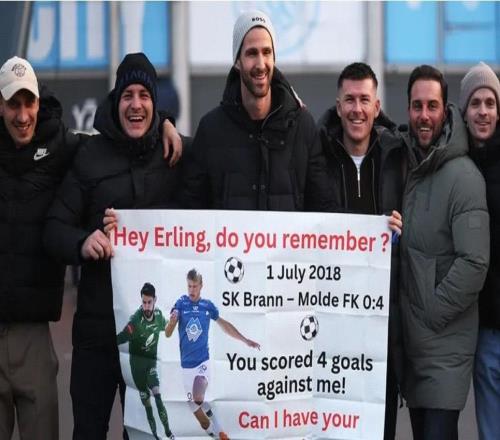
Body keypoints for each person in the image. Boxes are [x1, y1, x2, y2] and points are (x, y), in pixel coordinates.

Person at [43, 52, 186, 439]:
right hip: (96, 332)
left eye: (144, 95)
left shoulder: (175, 155)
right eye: (127, 95)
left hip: (150, 340)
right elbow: (54, 228)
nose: (136, 104)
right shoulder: (89, 156)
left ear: (155, 104)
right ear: (115, 100)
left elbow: (224, 150)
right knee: (88, 430)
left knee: (144, 434)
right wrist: (83, 241)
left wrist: (169, 125)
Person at [399, 64, 489, 440]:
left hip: (443, 349)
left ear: (446, 110)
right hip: (414, 347)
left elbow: (475, 262)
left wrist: (431, 310)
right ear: (408, 109)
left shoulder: (464, 177)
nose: (424, 115)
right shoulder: (406, 162)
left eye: (432, 106)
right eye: (417, 106)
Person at [317, 62, 404, 440]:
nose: (357, 109)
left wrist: (400, 230)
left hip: (381, 336)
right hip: (329, 336)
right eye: (349, 100)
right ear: (338, 106)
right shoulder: (316, 156)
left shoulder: (397, 157)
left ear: (377, 106)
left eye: (364, 100)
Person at [0, 56, 80, 440]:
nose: (22, 116)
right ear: (0, 105)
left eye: (28, 103)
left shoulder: (61, 145)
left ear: (38, 101)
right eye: (12, 104)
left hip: (34, 337)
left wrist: (165, 124)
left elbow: (116, 148)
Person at [183, 9, 335, 212]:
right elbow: (190, 213)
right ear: (237, 62)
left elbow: (325, 211)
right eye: (252, 53)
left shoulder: (302, 126)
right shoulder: (211, 130)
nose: (261, 64)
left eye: (266, 52)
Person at [166, 269, 260, 439]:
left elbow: (225, 326)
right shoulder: (181, 303)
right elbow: (167, 333)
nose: (191, 290)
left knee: (197, 396)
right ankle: (218, 433)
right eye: (189, 286)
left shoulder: (207, 306)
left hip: (202, 363)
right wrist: (172, 322)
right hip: (186, 367)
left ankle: (216, 429)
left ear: (201, 286)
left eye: (195, 286)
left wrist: (245, 340)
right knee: (200, 416)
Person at [459, 61, 500, 440]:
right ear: (464, 111)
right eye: (476, 103)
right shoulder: (456, 163)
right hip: (485, 327)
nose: (483, 111)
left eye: (490, 103)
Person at [117, 282, 174, 440]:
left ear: (155, 300)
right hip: (137, 369)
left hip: (151, 365)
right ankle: (154, 433)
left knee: (157, 394)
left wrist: (174, 322)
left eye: (149, 302)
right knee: (147, 405)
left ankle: (168, 432)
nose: (147, 306)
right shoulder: (136, 320)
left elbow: (167, 331)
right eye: (144, 302)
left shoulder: (159, 316)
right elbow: (122, 337)